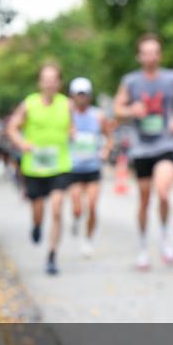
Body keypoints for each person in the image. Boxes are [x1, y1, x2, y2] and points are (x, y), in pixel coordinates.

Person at [113, 34, 173, 269]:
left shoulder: (171, 78)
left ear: (160, 54)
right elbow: (117, 108)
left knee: (163, 191)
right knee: (145, 198)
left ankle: (166, 238)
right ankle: (143, 246)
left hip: (165, 145)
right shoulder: (131, 81)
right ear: (139, 56)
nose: (151, 56)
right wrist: (130, 110)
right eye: (146, 52)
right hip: (141, 148)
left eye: (155, 51)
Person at [7, 63, 73, 275]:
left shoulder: (67, 104)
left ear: (59, 83)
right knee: (38, 211)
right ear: (40, 82)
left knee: (57, 207)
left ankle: (52, 255)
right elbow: (12, 127)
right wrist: (21, 143)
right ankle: (36, 226)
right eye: (46, 79)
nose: (49, 83)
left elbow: (73, 127)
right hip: (34, 167)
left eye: (53, 79)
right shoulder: (29, 104)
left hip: (60, 165)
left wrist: (73, 133)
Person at [67, 77, 113, 258]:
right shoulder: (67, 116)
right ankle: (77, 218)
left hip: (93, 167)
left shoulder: (98, 115)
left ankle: (88, 240)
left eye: (84, 94)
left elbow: (109, 137)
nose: (81, 98)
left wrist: (106, 151)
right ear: (72, 96)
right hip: (74, 168)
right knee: (78, 207)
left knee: (92, 206)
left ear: (89, 96)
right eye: (78, 94)